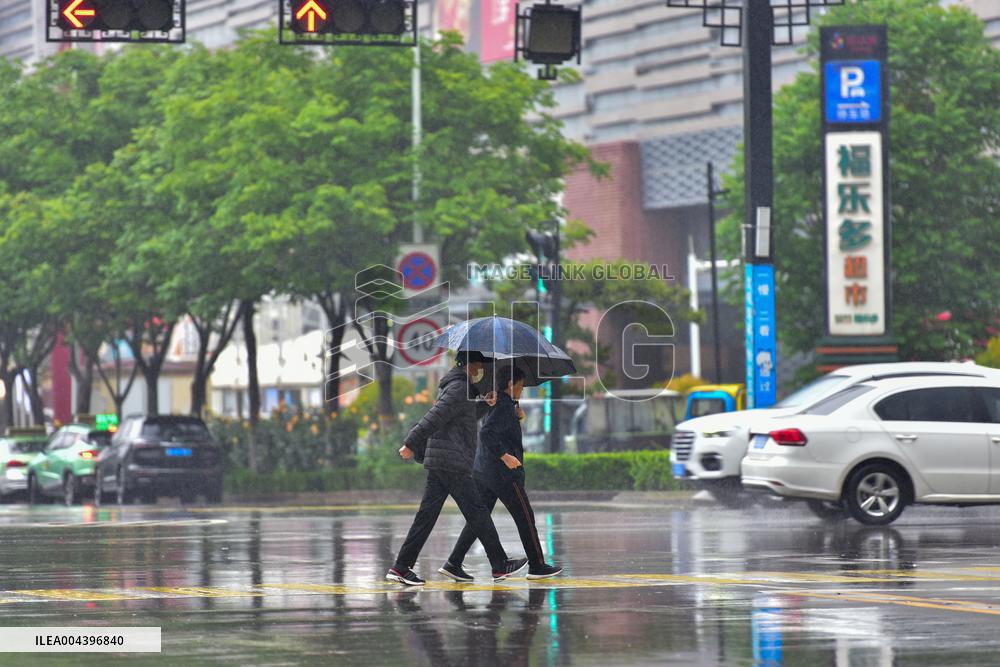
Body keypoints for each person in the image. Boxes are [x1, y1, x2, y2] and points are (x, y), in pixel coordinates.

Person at [386, 351, 528, 586]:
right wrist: (411, 443)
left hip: (445, 459)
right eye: (479, 363)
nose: (481, 368)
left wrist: (485, 404)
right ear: (470, 364)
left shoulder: (460, 388)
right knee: (478, 511)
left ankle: (401, 567)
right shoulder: (458, 388)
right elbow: (435, 416)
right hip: (450, 461)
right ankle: (499, 564)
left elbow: (465, 416)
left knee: (428, 515)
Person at [440, 364, 562, 582]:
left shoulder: (499, 403)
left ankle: (454, 562)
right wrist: (505, 456)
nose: (521, 390)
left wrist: (517, 414)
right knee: (525, 517)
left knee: (479, 519)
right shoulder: (503, 405)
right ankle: (537, 565)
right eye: (521, 386)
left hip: (484, 472)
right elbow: (487, 434)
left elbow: (497, 430)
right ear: (510, 384)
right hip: (504, 474)